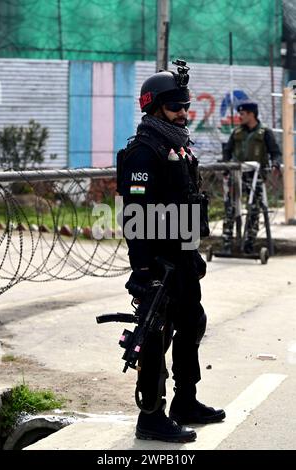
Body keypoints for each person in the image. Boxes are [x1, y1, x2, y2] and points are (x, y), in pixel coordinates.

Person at [118, 60, 225, 443]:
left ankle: (186, 402)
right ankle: (151, 417)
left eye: (186, 106)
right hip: (158, 264)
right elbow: (135, 217)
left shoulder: (177, 147)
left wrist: (190, 252)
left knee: (193, 323)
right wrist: (143, 270)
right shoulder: (144, 153)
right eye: (176, 106)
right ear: (154, 107)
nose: (184, 113)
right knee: (155, 336)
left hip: (182, 258)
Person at [222, 100, 281, 254]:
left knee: (254, 209)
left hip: (256, 176)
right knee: (231, 206)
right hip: (237, 174)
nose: (239, 117)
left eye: (242, 114)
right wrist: (226, 166)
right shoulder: (236, 132)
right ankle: (227, 243)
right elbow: (227, 151)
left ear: (251, 114)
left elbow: (275, 152)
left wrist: (275, 164)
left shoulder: (264, 132)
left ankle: (249, 243)